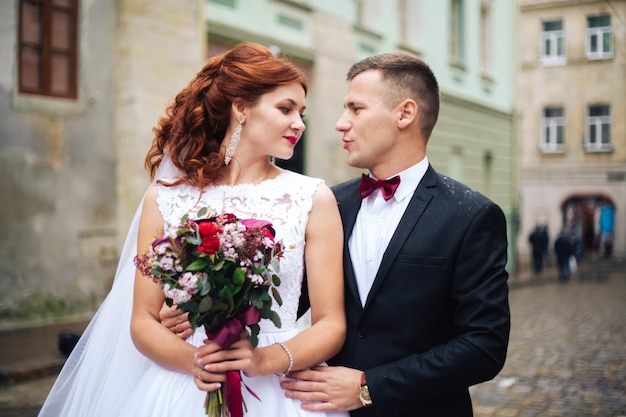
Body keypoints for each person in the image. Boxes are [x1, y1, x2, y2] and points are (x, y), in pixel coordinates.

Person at [38, 42, 348, 417]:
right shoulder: (166, 199)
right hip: (185, 385)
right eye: (285, 109)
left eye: (301, 112)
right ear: (241, 108)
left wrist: (263, 360)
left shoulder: (312, 197)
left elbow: (331, 323)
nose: (299, 124)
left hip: (280, 386)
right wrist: (195, 362)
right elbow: (142, 321)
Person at [281, 52, 511, 416]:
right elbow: (291, 298)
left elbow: (484, 346)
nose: (341, 123)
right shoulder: (329, 204)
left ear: (405, 113)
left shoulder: (471, 215)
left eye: (356, 109)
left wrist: (368, 387)